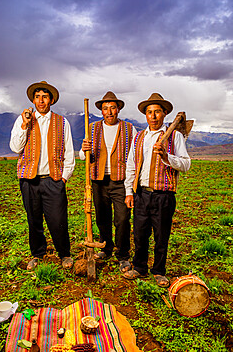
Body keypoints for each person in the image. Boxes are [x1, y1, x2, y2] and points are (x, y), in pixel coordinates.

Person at [123, 93, 191, 287]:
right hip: (142, 193)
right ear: (146, 115)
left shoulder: (174, 136)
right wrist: (129, 191)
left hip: (164, 195)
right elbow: (131, 165)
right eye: (149, 112)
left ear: (165, 113)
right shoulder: (139, 137)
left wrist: (166, 156)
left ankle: (159, 271)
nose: (153, 116)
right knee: (140, 233)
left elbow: (186, 164)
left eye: (157, 112)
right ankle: (140, 267)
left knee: (161, 235)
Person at [10, 81, 75, 270]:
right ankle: (38, 254)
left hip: (53, 179)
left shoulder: (62, 122)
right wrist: (24, 124)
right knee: (34, 219)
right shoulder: (23, 119)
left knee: (58, 219)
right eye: (37, 97)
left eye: (45, 97)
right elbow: (15, 148)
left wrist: (64, 178)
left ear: (51, 100)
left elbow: (69, 153)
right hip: (29, 180)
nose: (41, 101)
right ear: (33, 99)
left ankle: (64, 254)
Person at [79, 91, 137, 273]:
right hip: (98, 180)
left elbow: (134, 156)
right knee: (102, 217)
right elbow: (84, 156)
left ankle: (123, 255)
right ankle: (106, 247)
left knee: (122, 219)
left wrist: (131, 183)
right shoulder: (92, 128)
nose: (109, 112)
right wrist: (83, 149)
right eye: (105, 108)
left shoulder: (129, 129)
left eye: (113, 108)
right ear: (101, 111)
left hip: (120, 181)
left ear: (118, 109)